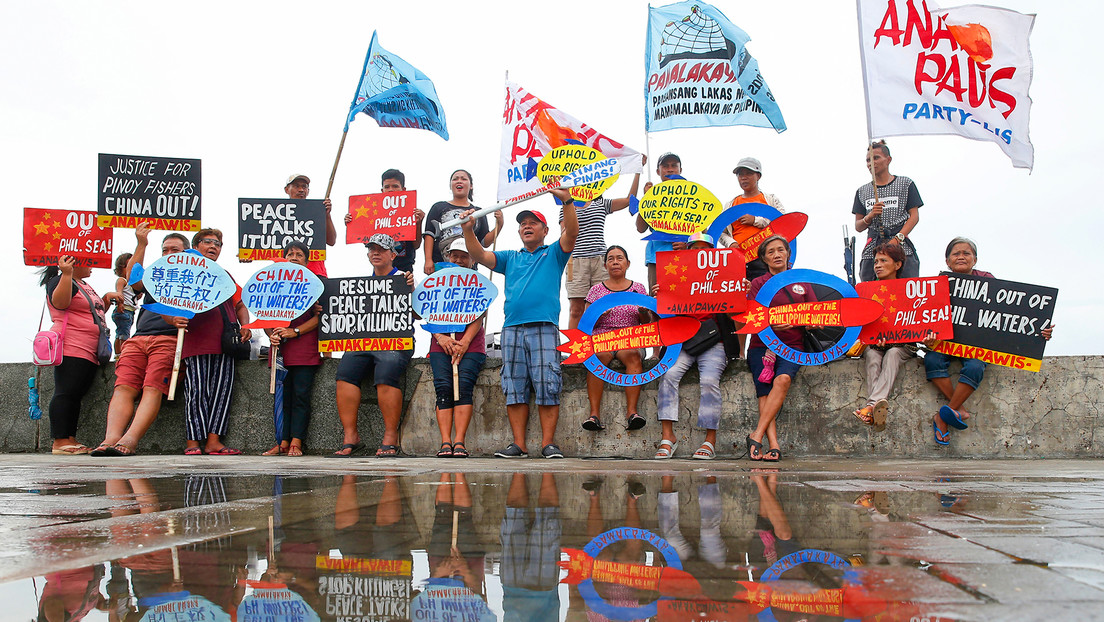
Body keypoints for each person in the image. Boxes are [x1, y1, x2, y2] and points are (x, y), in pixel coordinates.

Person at [460, 187, 577, 459]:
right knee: (514, 386)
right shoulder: (510, 257)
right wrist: (468, 230)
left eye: (532, 222)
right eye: (523, 223)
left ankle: (548, 444)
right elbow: (479, 255)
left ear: (545, 230)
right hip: (512, 329)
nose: (526, 226)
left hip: (544, 328)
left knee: (548, 383)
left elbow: (571, 232)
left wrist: (567, 200)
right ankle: (519, 445)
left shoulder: (554, 253)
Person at [923, 237, 1054, 445]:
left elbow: (1012, 317)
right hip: (948, 344)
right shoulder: (937, 285)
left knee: (975, 366)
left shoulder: (989, 281)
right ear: (947, 261)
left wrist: (1039, 331)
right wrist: (928, 335)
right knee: (931, 359)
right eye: (956, 253)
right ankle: (959, 410)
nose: (961, 257)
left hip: (977, 346)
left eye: (966, 253)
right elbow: (926, 318)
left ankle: (944, 415)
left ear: (975, 259)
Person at [91, 225, 189, 457]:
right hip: (140, 337)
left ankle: (130, 440)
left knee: (152, 387)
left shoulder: (195, 278)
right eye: (164, 250)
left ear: (187, 253)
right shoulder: (155, 274)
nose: (168, 254)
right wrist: (142, 243)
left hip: (170, 338)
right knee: (124, 386)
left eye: (174, 250)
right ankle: (110, 439)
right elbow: (132, 279)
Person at [330, 233, 416, 457]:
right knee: (345, 373)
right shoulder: (361, 285)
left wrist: (411, 291)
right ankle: (351, 436)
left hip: (395, 341)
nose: (375, 252)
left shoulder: (404, 279)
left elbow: (417, 314)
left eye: (381, 249)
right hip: (364, 341)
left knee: (386, 371)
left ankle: (390, 436)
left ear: (393, 254)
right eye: (371, 249)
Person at [166, 228, 250, 456]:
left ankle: (214, 441)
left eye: (218, 244)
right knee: (197, 391)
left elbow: (240, 304)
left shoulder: (224, 274)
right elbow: (164, 304)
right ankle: (193, 441)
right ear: (196, 245)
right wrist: (173, 320)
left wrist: (245, 326)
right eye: (208, 242)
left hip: (226, 342)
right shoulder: (183, 271)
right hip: (197, 340)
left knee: (223, 392)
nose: (214, 247)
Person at [654, 233, 735, 460]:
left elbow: (738, 313)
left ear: (713, 252)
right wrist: (658, 297)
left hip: (713, 340)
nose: (700, 252)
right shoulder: (676, 276)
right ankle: (668, 437)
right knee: (667, 375)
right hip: (683, 339)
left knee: (709, 381)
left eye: (705, 248)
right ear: (687, 251)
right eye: (694, 248)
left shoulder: (724, 275)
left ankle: (710, 441)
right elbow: (662, 314)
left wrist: (740, 289)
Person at [744, 235, 816, 462]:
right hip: (761, 346)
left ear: (788, 253)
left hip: (793, 345)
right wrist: (771, 323)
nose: (776, 255)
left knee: (782, 380)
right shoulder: (758, 284)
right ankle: (773, 444)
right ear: (764, 259)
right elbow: (752, 316)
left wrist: (795, 322)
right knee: (764, 392)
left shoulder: (802, 282)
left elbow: (817, 315)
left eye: (780, 250)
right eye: (770, 252)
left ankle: (756, 434)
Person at [40, 255, 118, 455]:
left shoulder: (83, 284)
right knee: (67, 392)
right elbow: (60, 302)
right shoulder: (61, 280)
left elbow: (90, 313)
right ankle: (60, 440)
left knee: (75, 393)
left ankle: (70, 439)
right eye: (89, 261)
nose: (92, 265)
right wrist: (66, 273)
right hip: (72, 345)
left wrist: (106, 300)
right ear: (74, 263)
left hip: (88, 347)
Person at [429, 239, 489, 458]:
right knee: (443, 388)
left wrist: (464, 342)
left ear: (472, 259)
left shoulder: (479, 282)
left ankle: (459, 441)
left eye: (464, 256)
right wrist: (440, 337)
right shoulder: (436, 282)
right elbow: (426, 310)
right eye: (454, 255)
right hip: (440, 345)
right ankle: (445, 441)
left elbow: (480, 314)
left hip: (471, 345)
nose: (458, 260)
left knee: (463, 387)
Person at [560, 169, 641, 330]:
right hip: (576, 260)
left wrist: (637, 172)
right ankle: (576, 349)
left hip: (600, 260)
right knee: (576, 309)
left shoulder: (601, 203)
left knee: (602, 306)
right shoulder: (567, 205)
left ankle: (600, 345)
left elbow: (628, 200)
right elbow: (564, 234)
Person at [262, 242, 321, 457]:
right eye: (289, 254)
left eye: (299, 254)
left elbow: (320, 317)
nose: (294, 257)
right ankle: (282, 441)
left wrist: (294, 331)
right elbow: (264, 313)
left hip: (304, 348)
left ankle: (297, 441)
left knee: (301, 396)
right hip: (280, 350)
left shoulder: (316, 285)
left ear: (306, 260)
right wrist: (272, 335)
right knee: (280, 397)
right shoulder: (272, 284)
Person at [581, 245, 648, 432]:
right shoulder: (595, 291)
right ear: (605, 265)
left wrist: (643, 312)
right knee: (598, 357)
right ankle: (594, 415)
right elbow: (587, 322)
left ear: (627, 263)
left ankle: (632, 412)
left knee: (633, 355)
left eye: (619, 258)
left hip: (631, 338)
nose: (615, 262)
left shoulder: (638, 288)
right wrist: (600, 315)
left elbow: (646, 322)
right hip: (602, 338)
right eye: (610, 259)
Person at [854, 243, 915, 427]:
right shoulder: (868, 291)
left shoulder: (910, 290)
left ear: (897, 265)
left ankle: (871, 406)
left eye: (883, 261)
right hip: (876, 345)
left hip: (902, 346)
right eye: (875, 262)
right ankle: (875, 409)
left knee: (893, 354)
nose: (877, 265)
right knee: (872, 355)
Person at [852, 140, 922, 282]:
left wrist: (898, 239)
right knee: (869, 291)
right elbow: (858, 226)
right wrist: (870, 216)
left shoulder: (905, 184)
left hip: (901, 246)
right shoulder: (862, 191)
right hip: (873, 249)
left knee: (906, 289)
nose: (871, 163)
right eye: (868, 160)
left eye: (876, 158)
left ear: (888, 159)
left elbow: (914, 216)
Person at [343, 168, 427, 273]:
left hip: (405, 268)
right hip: (380, 270)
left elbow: (416, 245)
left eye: (395, 186)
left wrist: (418, 223)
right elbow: (367, 243)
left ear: (403, 189)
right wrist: (353, 225)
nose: (391, 190)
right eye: (387, 187)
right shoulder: (373, 213)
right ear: (382, 190)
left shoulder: (411, 212)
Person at [718, 157, 787, 281]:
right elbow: (720, 232)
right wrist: (731, 243)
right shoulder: (730, 204)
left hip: (765, 260)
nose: (743, 178)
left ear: (758, 176)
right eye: (740, 175)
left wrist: (755, 220)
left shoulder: (770, 200)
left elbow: (783, 223)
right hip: (739, 260)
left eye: (749, 174)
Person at [423, 169, 502, 274]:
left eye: (463, 179)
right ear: (450, 185)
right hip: (441, 267)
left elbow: (485, 242)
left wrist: (499, 225)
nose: (459, 181)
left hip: (469, 270)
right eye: (455, 179)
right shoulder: (438, 207)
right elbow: (429, 234)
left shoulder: (479, 212)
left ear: (471, 185)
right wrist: (428, 260)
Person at [636, 153, 686, 291]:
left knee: (685, 298)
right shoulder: (652, 195)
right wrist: (646, 199)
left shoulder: (691, 195)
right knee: (657, 301)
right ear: (658, 171)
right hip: (656, 258)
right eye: (665, 166)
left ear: (680, 170)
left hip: (685, 257)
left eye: (674, 166)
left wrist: (687, 243)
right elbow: (640, 228)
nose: (670, 169)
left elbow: (702, 229)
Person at [283, 173, 335, 277]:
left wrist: (327, 215)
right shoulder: (276, 213)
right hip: (284, 276)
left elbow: (331, 241)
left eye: (304, 186)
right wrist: (247, 254)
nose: (301, 190)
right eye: (297, 186)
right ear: (287, 189)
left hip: (315, 274)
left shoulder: (317, 211)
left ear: (308, 191)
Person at [111, 252, 135, 356]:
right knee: (122, 334)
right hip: (124, 309)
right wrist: (120, 303)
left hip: (130, 311)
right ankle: (120, 354)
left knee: (123, 332)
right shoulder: (122, 280)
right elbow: (119, 293)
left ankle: (121, 353)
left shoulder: (132, 284)